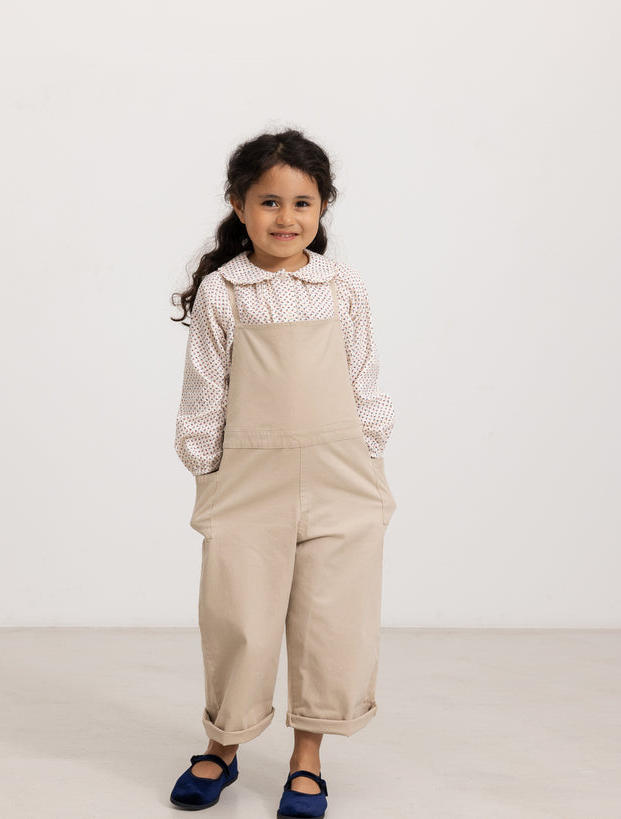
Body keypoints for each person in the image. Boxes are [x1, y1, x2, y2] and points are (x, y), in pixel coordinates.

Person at [169, 127, 397, 817]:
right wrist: (209, 472)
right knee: (239, 617)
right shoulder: (223, 292)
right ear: (238, 205)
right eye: (268, 202)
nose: (286, 218)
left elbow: (363, 375)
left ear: (323, 207)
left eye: (302, 203)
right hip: (249, 478)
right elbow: (205, 390)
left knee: (331, 619)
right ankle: (223, 745)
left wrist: (369, 452)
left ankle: (307, 759)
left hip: (339, 475)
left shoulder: (342, 285)